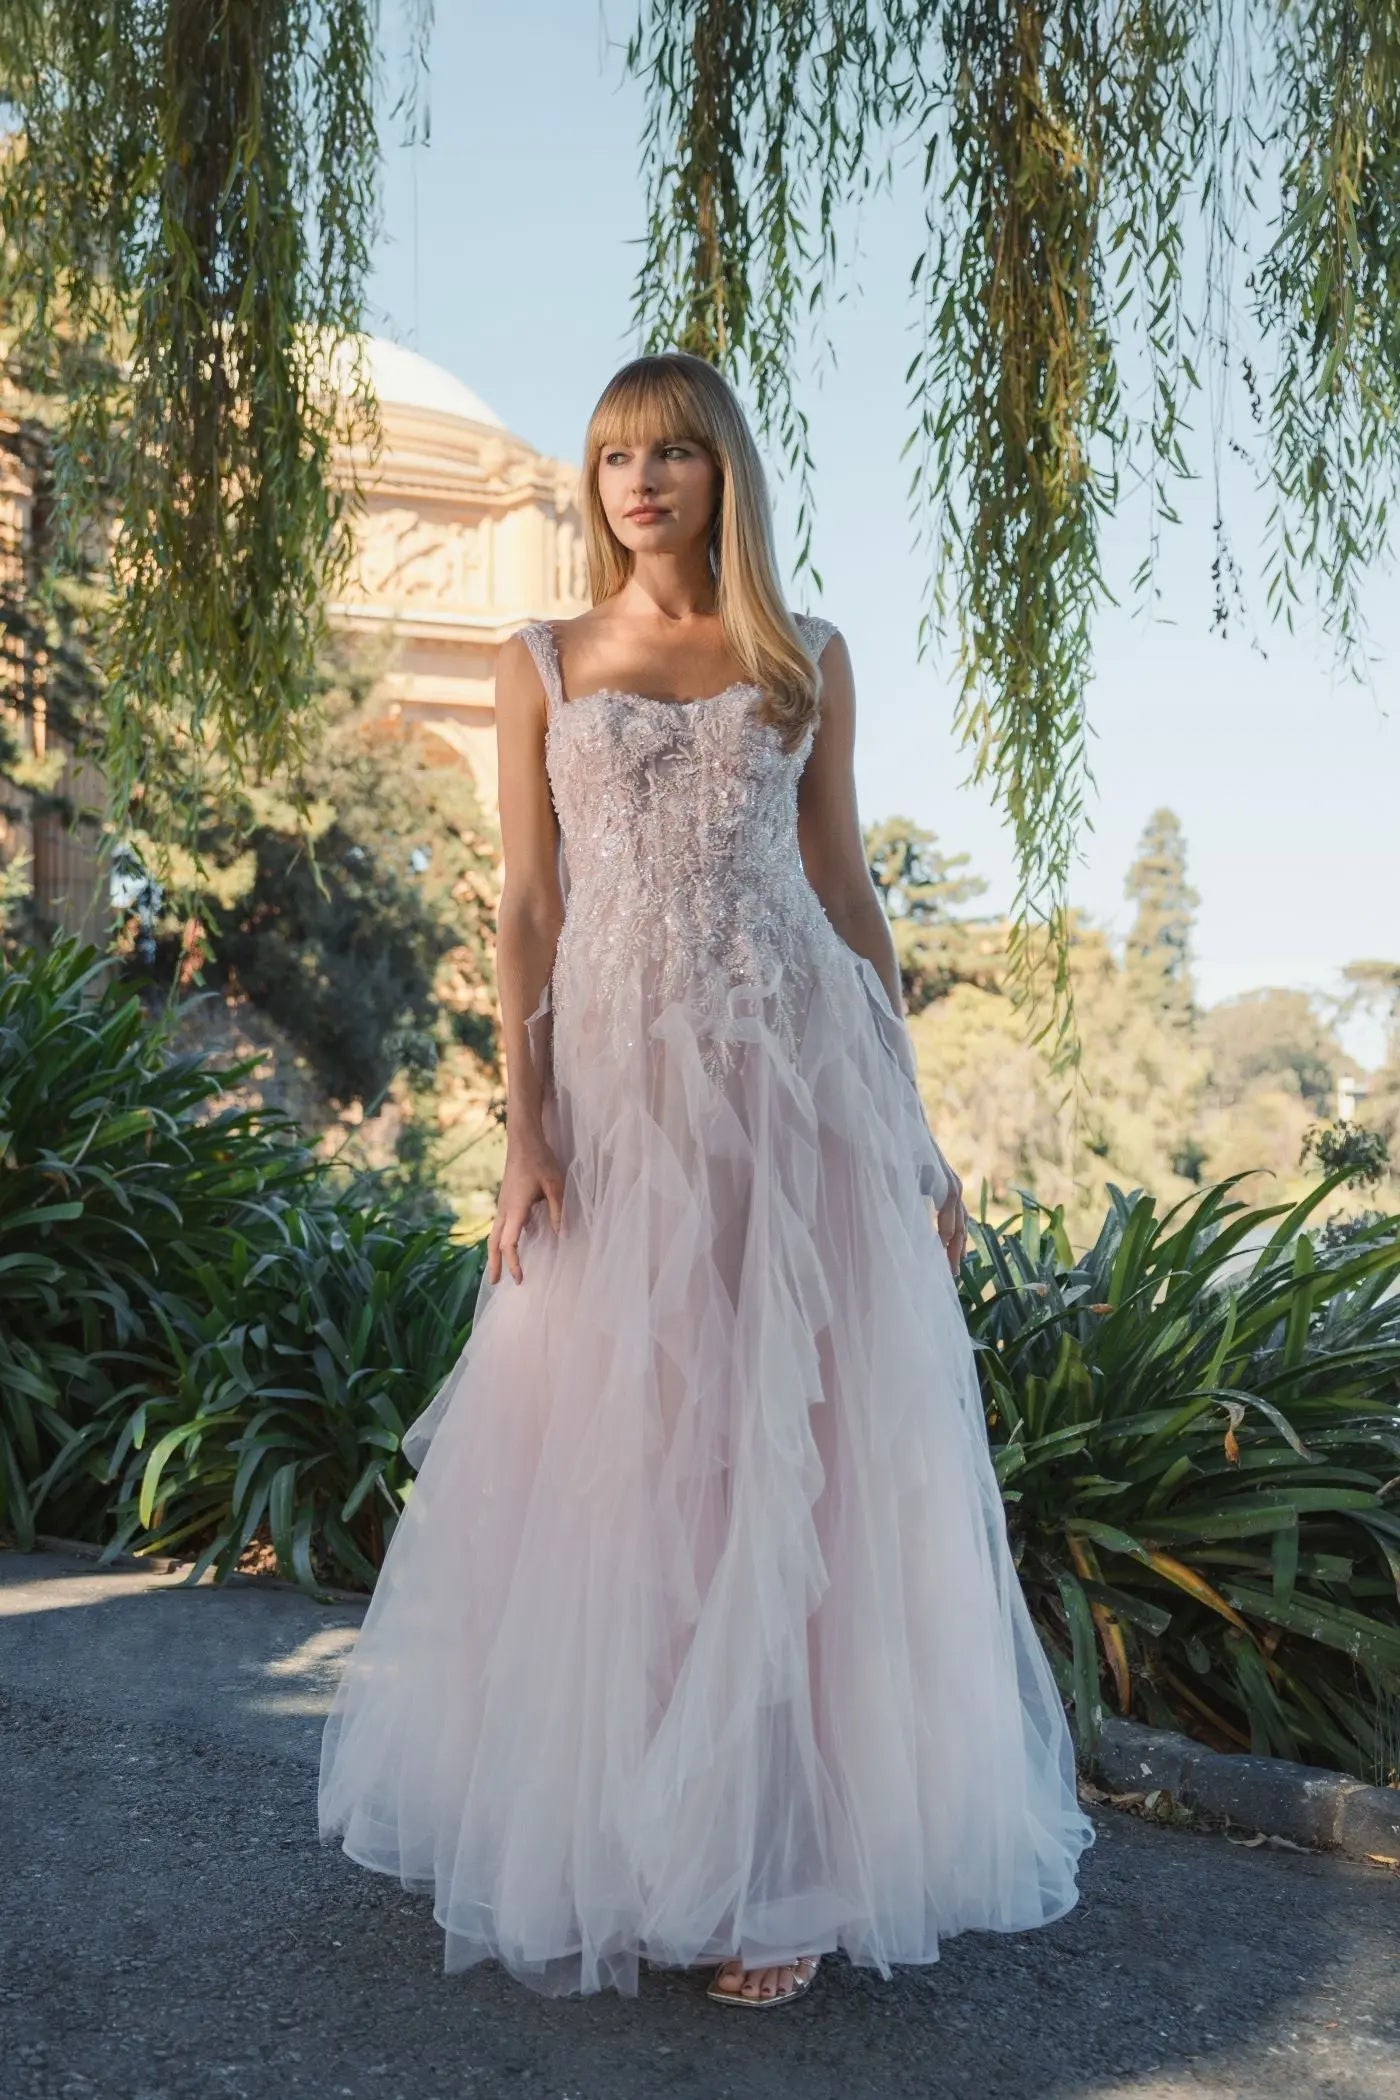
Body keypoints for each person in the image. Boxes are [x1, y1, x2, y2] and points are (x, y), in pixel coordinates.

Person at [318, 349, 1094, 2009]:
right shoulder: (543, 658)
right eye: (613, 458)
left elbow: (849, 892)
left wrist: (914, 1124)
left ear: (721, 471)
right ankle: (623, 1831)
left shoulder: (802, 656)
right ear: (592, 487)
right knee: (626, 1449)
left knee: (779, 1449)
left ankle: (774, 1859)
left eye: (672, 453)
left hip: (785, 1080)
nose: (641, 482)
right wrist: (526, 1123)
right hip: (612, 1087)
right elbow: (526, 910)